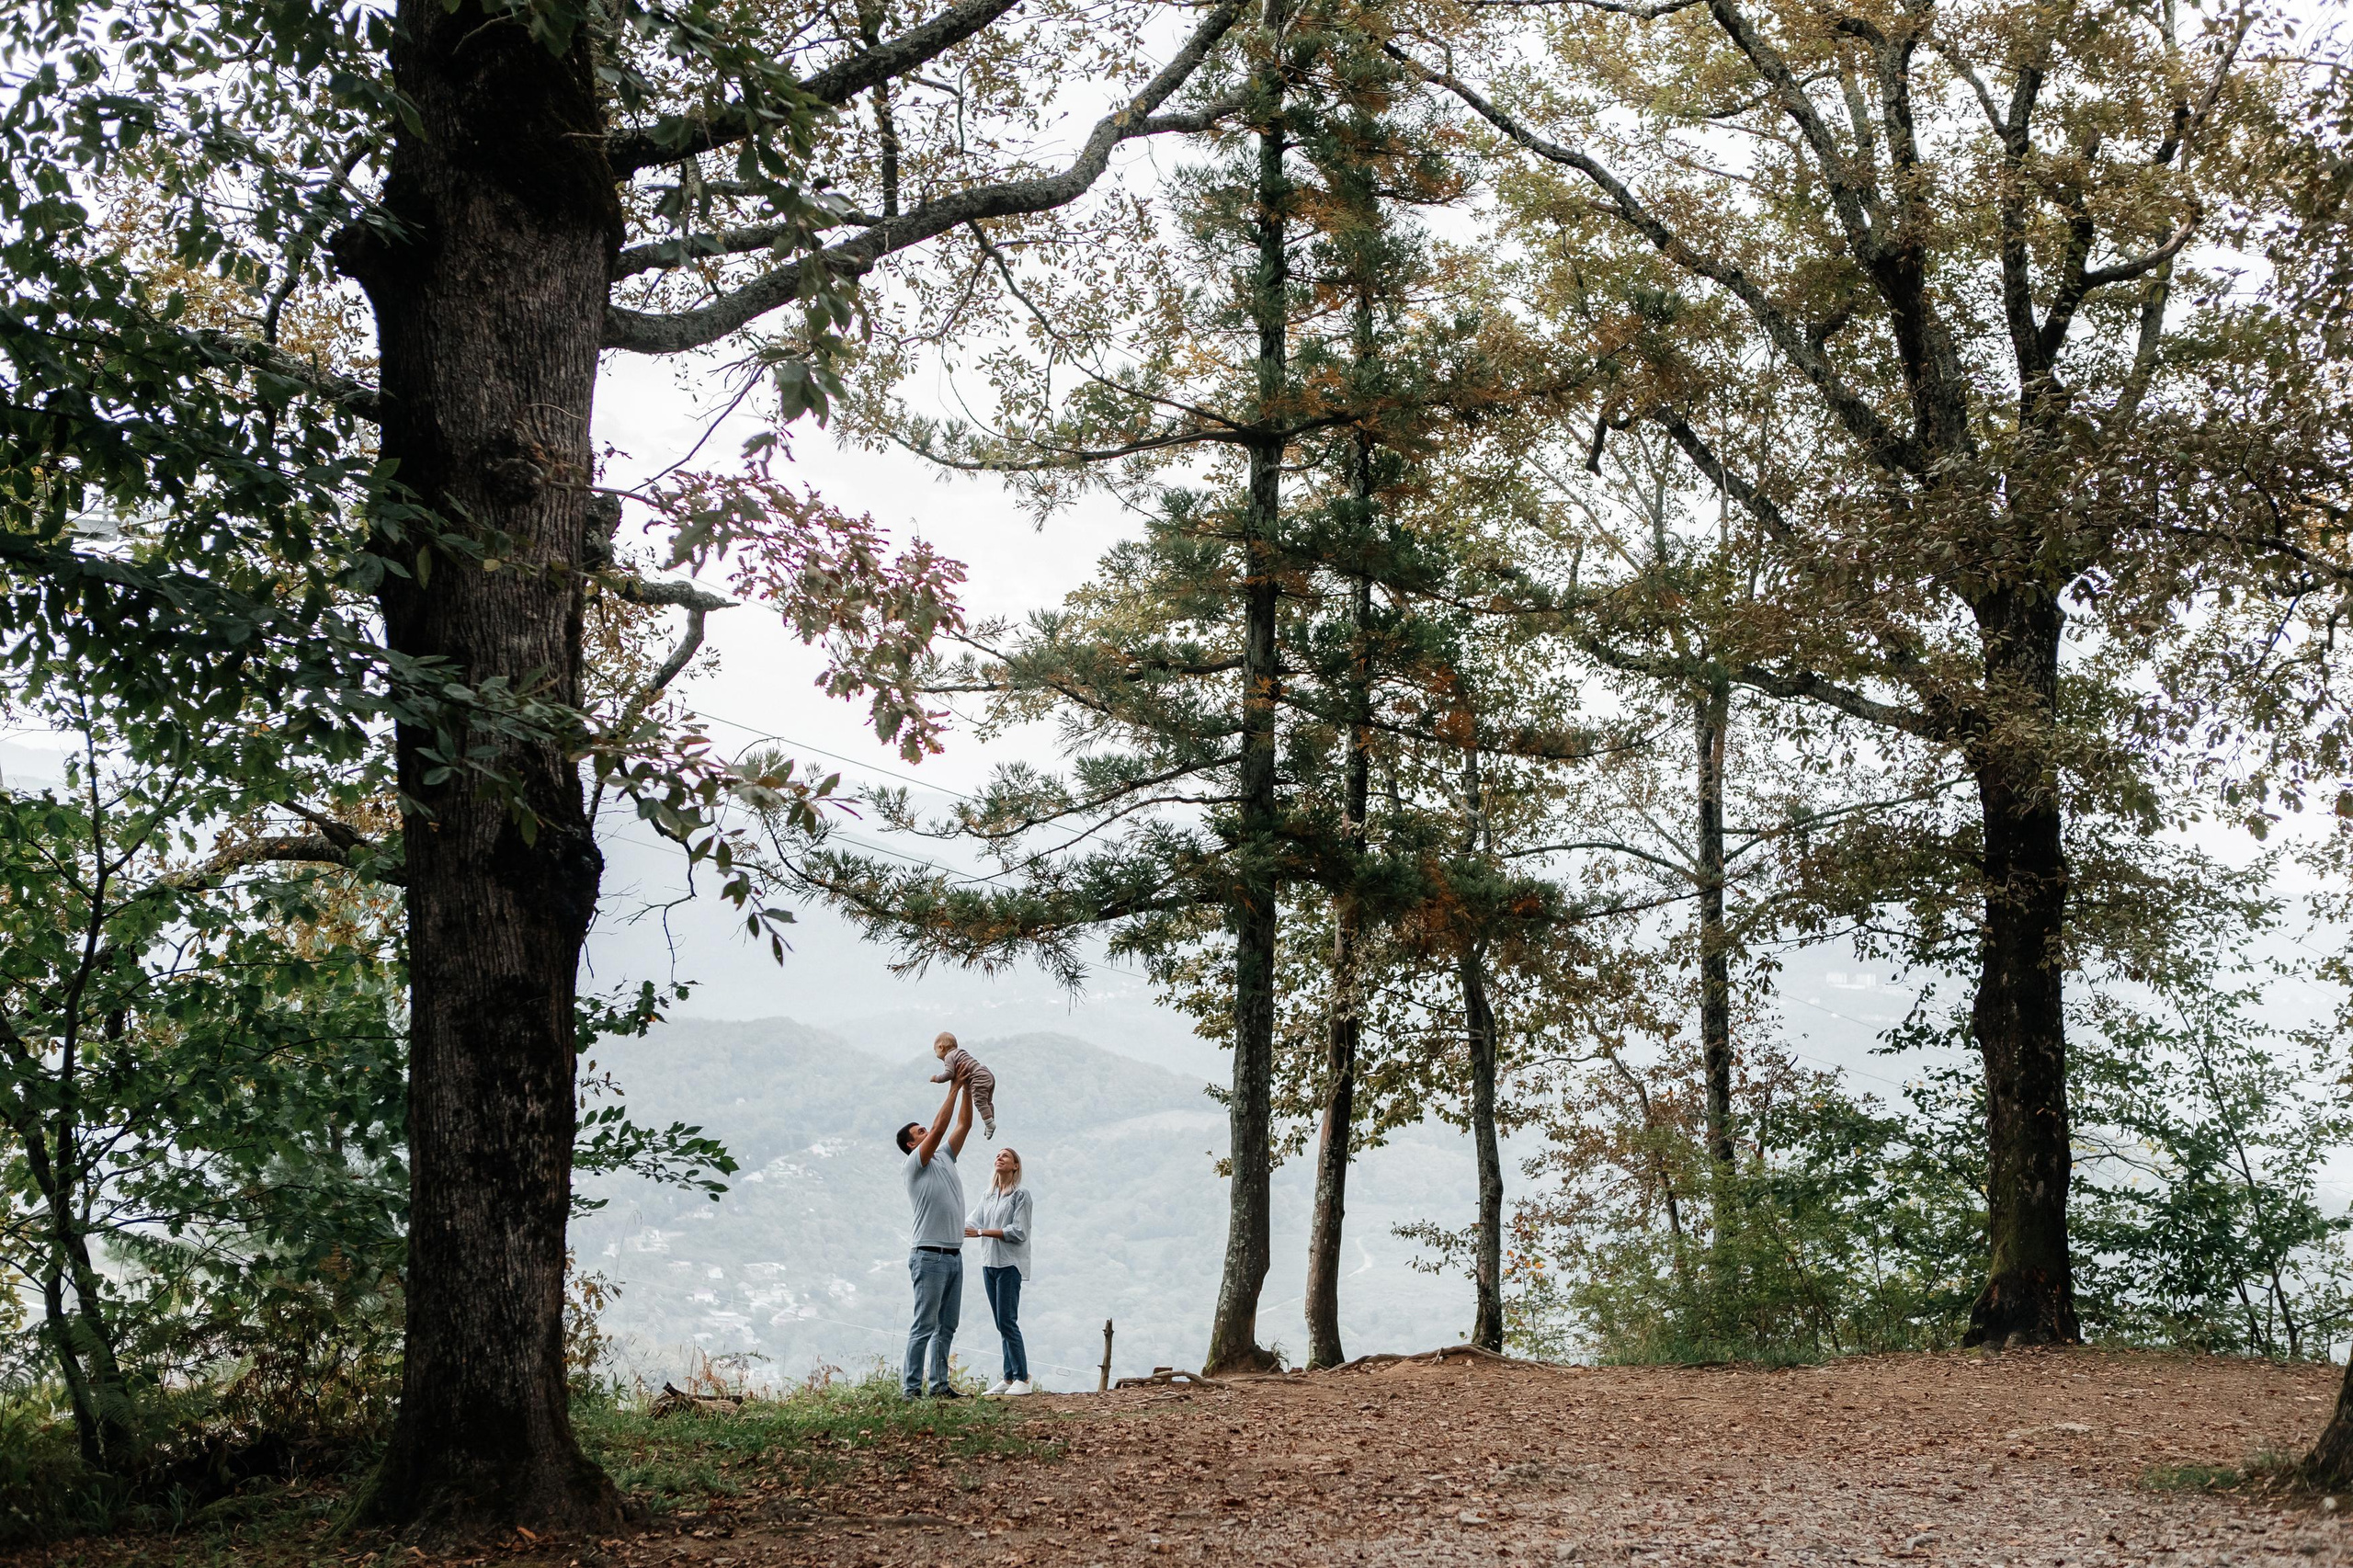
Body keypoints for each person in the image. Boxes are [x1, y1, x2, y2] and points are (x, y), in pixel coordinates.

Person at [896, 1074, 973, 1399]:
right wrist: (953, 1088)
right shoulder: (916, 1164)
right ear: (912, 1145)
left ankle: (939, 1386)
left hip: (953, 1256)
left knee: (947, 1327)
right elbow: (941, 1127)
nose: (926, 1132)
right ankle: (910, 1389)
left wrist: (968, 1088)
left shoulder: (944, 1157)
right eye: (920, 1133)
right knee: (924, 1325)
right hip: (928, 1256)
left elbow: (963, 1125)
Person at [965, 1146, 1033, 1395]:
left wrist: (982, 1232)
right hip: (989, 1264)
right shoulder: (988, 1195)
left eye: (1006, 1156)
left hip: (1009, 1265)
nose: (999, 1157)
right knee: (1000, 1322)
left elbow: (1018, 1231)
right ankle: (1008, 1377)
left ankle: (1022, 1379)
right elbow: (973, 1221)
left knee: (1008, 1321)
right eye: (997, 1155)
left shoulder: (1021, 1195)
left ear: (1015, 1166)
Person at [928, 1030, 998, 1140]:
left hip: (978, 1078)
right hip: (987, 1074)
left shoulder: (949, 1057)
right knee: (987, 1102)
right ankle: (990, 1121)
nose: (937, 1054)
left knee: (980, 1101)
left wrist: (936, 1078)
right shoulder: (961, 1052)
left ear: (941, 1047)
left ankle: (989, 1123)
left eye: (935, 1051)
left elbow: (949, 1074)